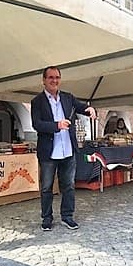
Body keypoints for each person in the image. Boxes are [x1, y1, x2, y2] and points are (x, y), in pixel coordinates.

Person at [31, 66, 96, 231]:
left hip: (68, 150)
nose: (54, 80)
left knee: (68, 185)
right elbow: (37, 124)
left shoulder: (68, 97)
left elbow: (82, 108)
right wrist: (57, 125)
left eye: (57, 77)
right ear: (44, 80)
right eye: (51, 77)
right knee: (46, 187)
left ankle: (67, 216)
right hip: (49, 152)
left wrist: (90, 109)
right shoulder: (37, 101)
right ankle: (46, 218)